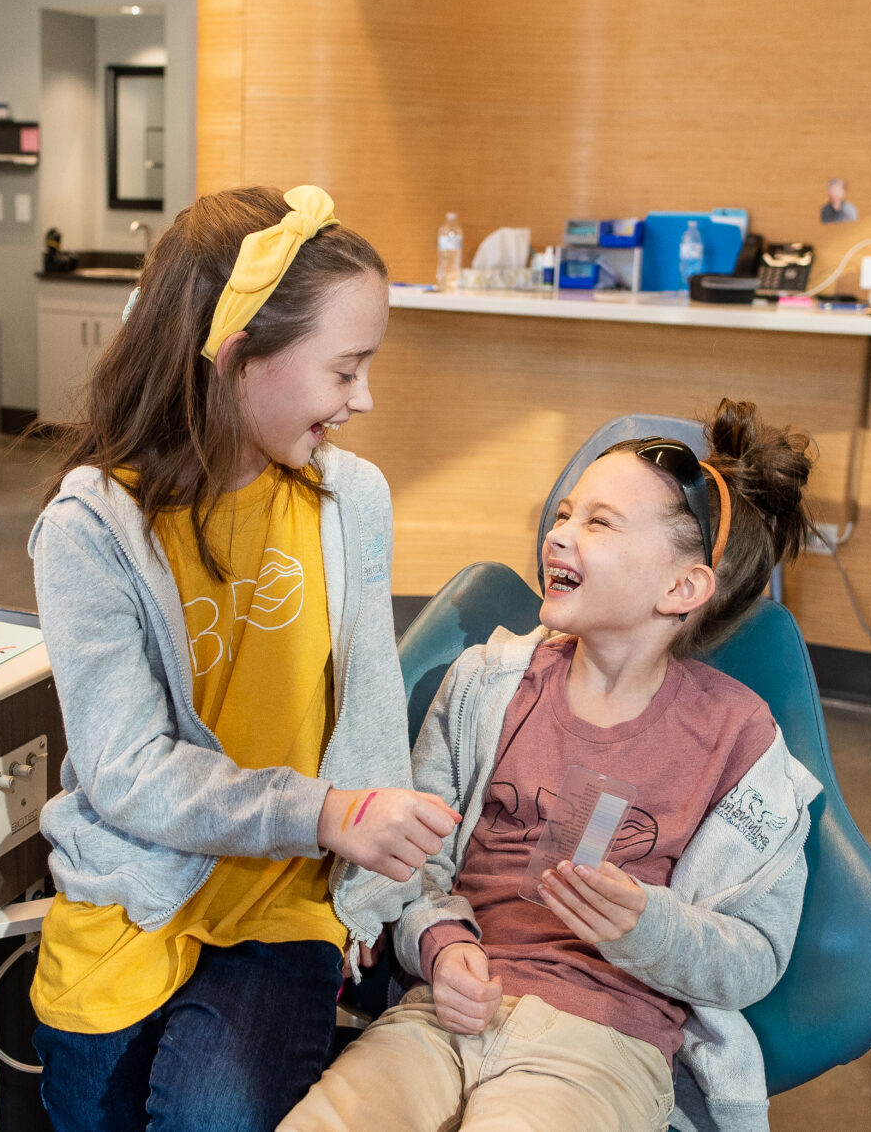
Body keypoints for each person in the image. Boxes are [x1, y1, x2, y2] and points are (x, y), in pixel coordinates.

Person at [27, 184, 460, 1132]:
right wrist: (328, 812)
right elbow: (128, 771)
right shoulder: (90, 529)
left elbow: (371, 701)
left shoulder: (352, 501)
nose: (365, 399)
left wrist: (375, 894)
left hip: (288, 900)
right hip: (139, 894)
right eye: (345, 371)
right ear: (238, 363)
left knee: (211, 1115)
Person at [282, 399, 820, 1132]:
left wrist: (649, 927)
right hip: (443, 1014)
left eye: (598, 523)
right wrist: (442, 950)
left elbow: (754, 957)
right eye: (564, 514)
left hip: (604, 1042)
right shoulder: (484, 687)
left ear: (682, 589)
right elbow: (407, 869)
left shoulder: (739, 741)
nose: (560, 535)